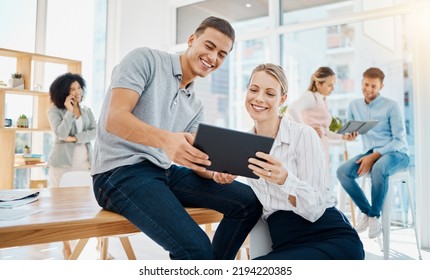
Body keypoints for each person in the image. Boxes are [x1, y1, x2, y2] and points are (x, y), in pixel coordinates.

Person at [91, 16, 262, 260]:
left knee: (248, 202)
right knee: (196, 249)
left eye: (222, 54)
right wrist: (166, 141)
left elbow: (194, 159)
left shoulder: (195, 105)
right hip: (118, 172)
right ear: (192, 40)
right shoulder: (145, 59)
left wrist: (214, 173)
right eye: (209, 46)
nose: (213, 58)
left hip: (163, 172)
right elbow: (115, 119)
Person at [243, 63, 364, 259]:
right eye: (254, 89)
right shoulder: (244, 145)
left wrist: (285, 179)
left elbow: (314, 209)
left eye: (270, 93)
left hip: (330, 237)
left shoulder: (304, 135)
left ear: (282, 99)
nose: (259, 98)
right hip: (284, 242)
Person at [337, 67, 410, 239]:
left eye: (373, 86)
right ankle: (368, 212)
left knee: (378, 169)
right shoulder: (354, 105)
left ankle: (375, 215)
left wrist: (375, 155)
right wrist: (349, 135)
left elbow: (399, 140)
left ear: (381, 86)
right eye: (366, 84)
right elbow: (350, 131)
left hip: (397, 153)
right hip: (369, 153)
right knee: (342, 172)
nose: (369, 90)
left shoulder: (391, 106)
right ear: (362, 82)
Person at [47, 72, 102, 259]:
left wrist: (76, 137)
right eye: (72, 89)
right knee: (62, 208)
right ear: (64, 92)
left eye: (79, 88)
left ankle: (99, 244)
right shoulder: (54, 111)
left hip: (85, 162)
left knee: (91, 205)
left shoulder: (87, 110)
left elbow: (94, 132)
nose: (77, 92)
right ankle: (66, 246)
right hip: (62, 165)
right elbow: (61, 133)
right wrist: (69, 113)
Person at [286, 67, 355, 190]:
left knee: (320, 185)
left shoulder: (321, 100)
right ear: (318, 83)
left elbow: (324, 131)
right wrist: (307, 130)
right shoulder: (310, 96)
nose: (333, 88)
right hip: (310, 146)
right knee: (311, 184)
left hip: (321, 146)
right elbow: (292, 109)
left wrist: (343, 136)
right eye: (330, 85)